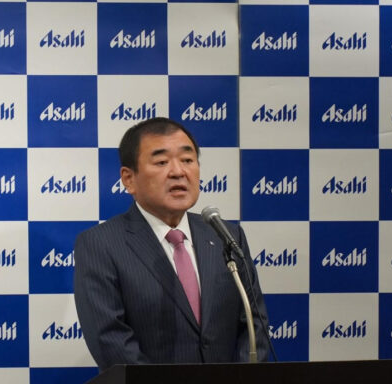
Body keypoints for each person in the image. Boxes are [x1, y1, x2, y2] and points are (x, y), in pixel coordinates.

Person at [74, 117, 271, 371]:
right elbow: (110, 341)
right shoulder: (100, 244)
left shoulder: (226, 235)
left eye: (187, 160)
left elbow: (254, 325)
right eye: (161, 162)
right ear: (128, 179)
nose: (178, 171)